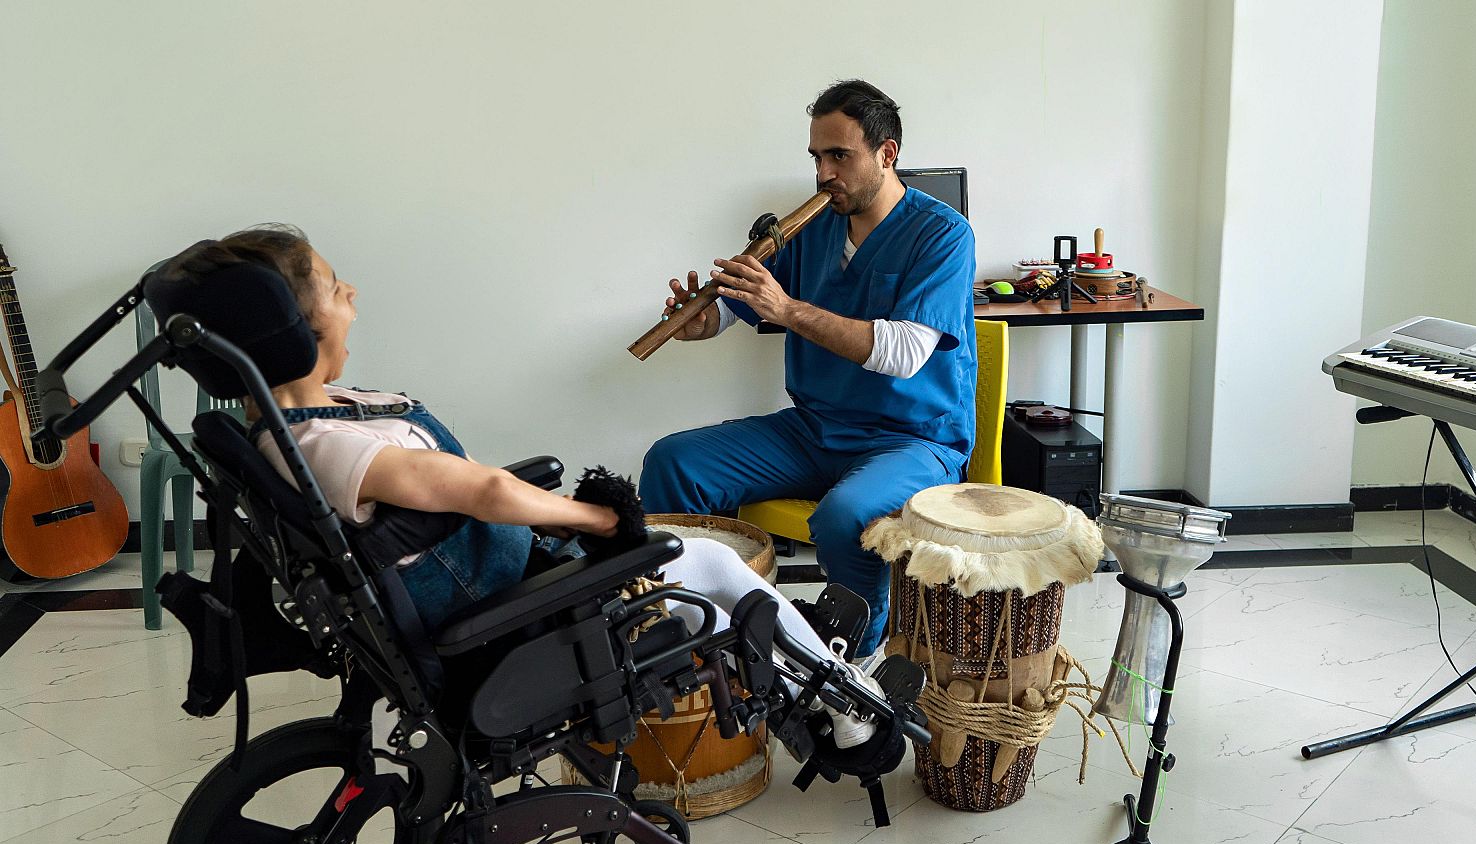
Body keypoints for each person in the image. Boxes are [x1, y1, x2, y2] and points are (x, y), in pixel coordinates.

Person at [172, 225, 885, 748]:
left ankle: (814, 683)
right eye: (333, 287)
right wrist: (599, 520)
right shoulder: (325, 446)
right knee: (708, 568)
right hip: (501, 610)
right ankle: (850, 707)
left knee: (710, 594)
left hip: (491, 577)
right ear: (289, 332)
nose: (351, 290)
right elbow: (478, 491)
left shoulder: (296, 424)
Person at [640, 79, 978, 659]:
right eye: (817, 157)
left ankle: (849, 661)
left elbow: (902, 353)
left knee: (843, 516)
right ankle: (691, 630)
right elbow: (738, 306)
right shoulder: (809, 229)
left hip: (912, 441)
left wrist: (789, 310)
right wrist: (705, 321)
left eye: (839, 156)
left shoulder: (943, 235)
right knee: (673, 462)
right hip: (815, 428)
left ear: (886, 154)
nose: (824, 173)